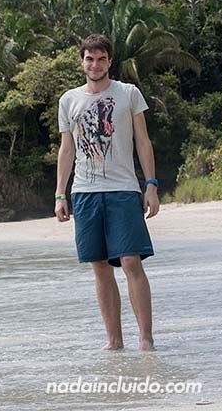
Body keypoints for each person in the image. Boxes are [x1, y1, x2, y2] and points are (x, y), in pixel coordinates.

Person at [55, 34, 159, 351]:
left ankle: (146, 339)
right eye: (89, 58)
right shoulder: (68, 100)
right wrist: (61, 193)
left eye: (101, 59)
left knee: (130, 261)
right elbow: (66, 149)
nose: (95, 64)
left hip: (123, 190)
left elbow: (142, 140)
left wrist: (151, 185)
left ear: (109, 61)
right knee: (99, 266)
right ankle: (114, 341)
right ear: (82, 61)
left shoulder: (128, 94)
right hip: (85, 192)